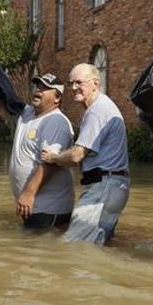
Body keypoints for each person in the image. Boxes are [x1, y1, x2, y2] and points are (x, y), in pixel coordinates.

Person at [41, 63, 130, 245]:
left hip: (103, 188)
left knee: (73, 248)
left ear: (95, 84)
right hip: (112, 186)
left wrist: (53, 157)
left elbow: (76, 155)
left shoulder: (97, 111)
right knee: (98, 247)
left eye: (79, 83)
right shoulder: (102, 107)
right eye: (70, 83)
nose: (73, 88)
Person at [6, 74, 75, 230]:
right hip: (33, 207)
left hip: (48, 209)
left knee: (38, 251)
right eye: (37, 86)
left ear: (57, 98)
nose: (38, 90)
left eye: (45, 88)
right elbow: (0, 107)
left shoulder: (56, 121)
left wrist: (28, 193)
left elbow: (50, 163)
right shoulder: (27, 114)